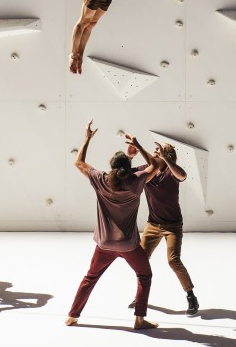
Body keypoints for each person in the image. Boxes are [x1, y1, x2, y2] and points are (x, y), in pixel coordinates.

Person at [66, 121, 157, 331]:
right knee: (144, 275)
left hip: (104, 244)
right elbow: (155, 166)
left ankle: (72, 316)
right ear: (127, 168)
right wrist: (139, 147)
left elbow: (79, 162)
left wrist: (87, 138)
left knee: (90, 277)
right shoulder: (136, 182)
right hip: (129, 245)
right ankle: (139, 319)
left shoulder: (101, 179)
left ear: (112, 167)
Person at [126, 134, 199, 316]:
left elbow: (183, 175)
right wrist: (129, 157)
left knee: (173, 260)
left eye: (160, 149)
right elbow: (125, 174)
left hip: (173, 225)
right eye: (155, 150)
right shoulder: (147, 169)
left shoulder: (172, 172)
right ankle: (140, 297)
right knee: (140, 260)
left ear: (168, 155)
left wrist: (166, 158)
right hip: (153, 224)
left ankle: (191, 296)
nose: (156, 151)